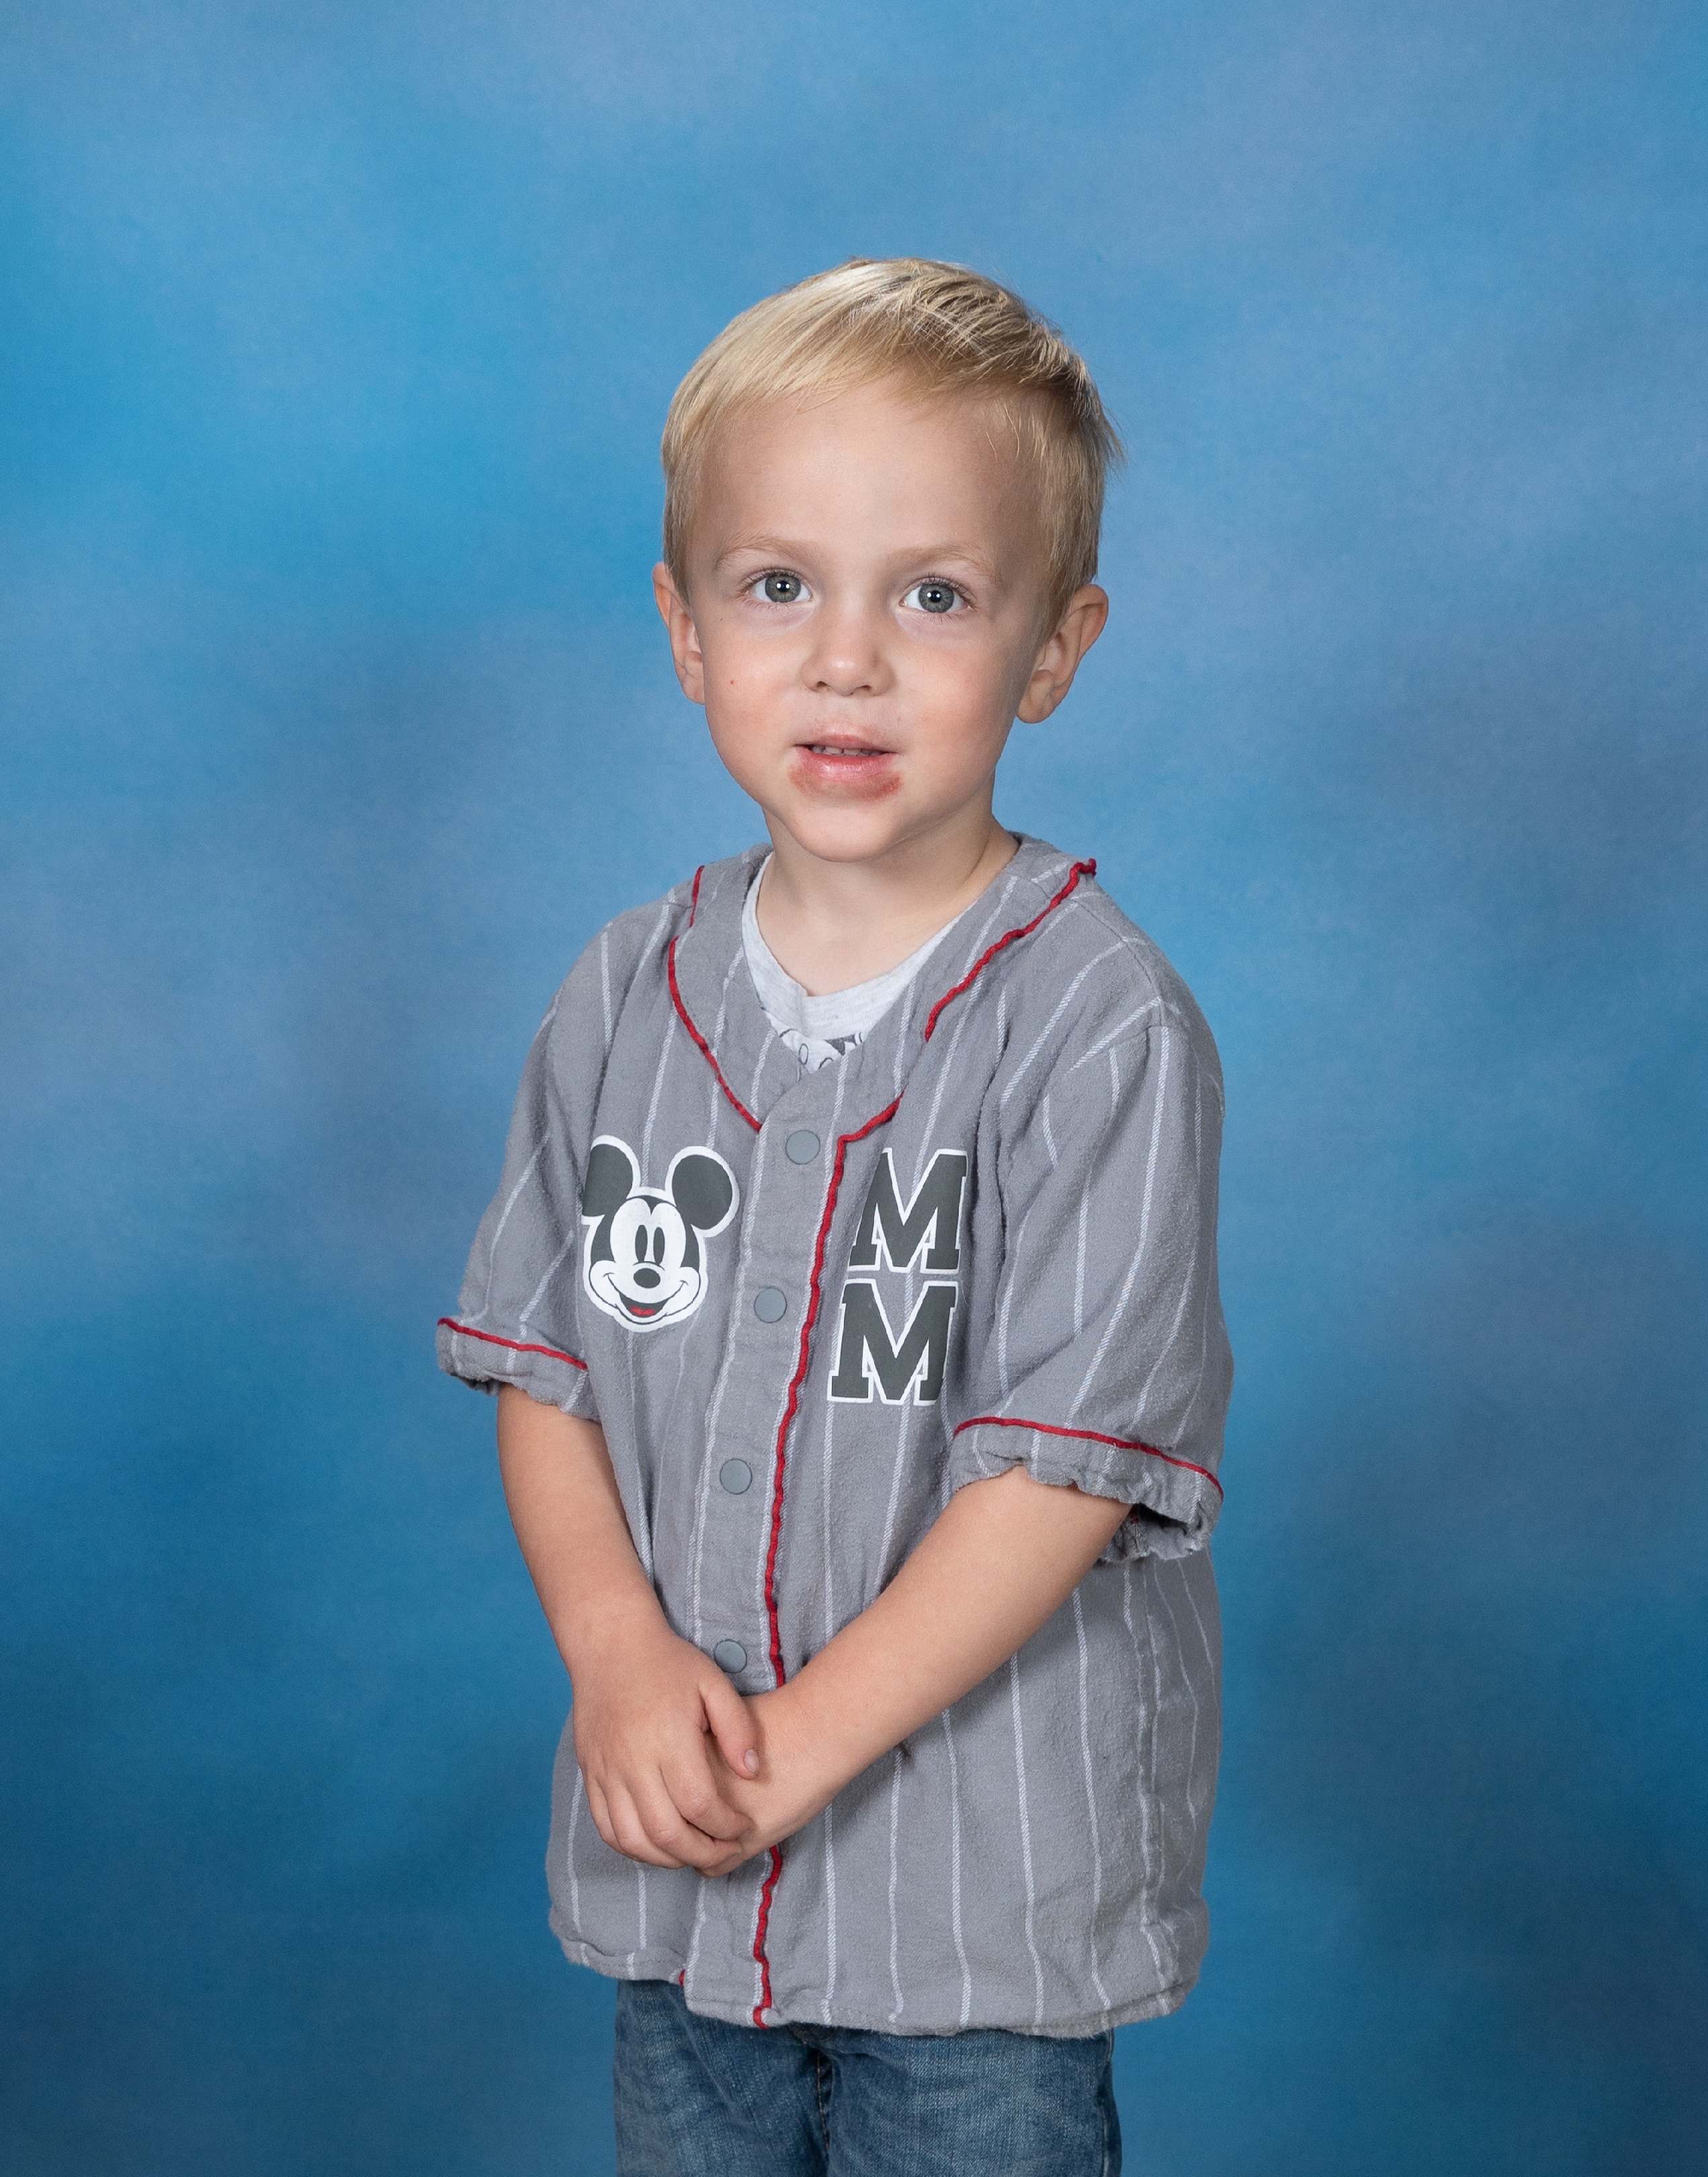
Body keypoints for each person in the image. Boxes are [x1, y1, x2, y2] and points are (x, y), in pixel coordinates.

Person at [436, 257, 1232, 2176]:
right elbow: (545, 1366)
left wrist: (793, 1749)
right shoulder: (623, 995)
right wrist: (617, 1656)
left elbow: (1055, 1475)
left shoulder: (1099, 1023)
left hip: (979, 1917)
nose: (846, 660)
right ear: (685, 629)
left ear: (1054, 648)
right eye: (778, 585)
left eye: (934, 595)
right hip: (683, 1886)